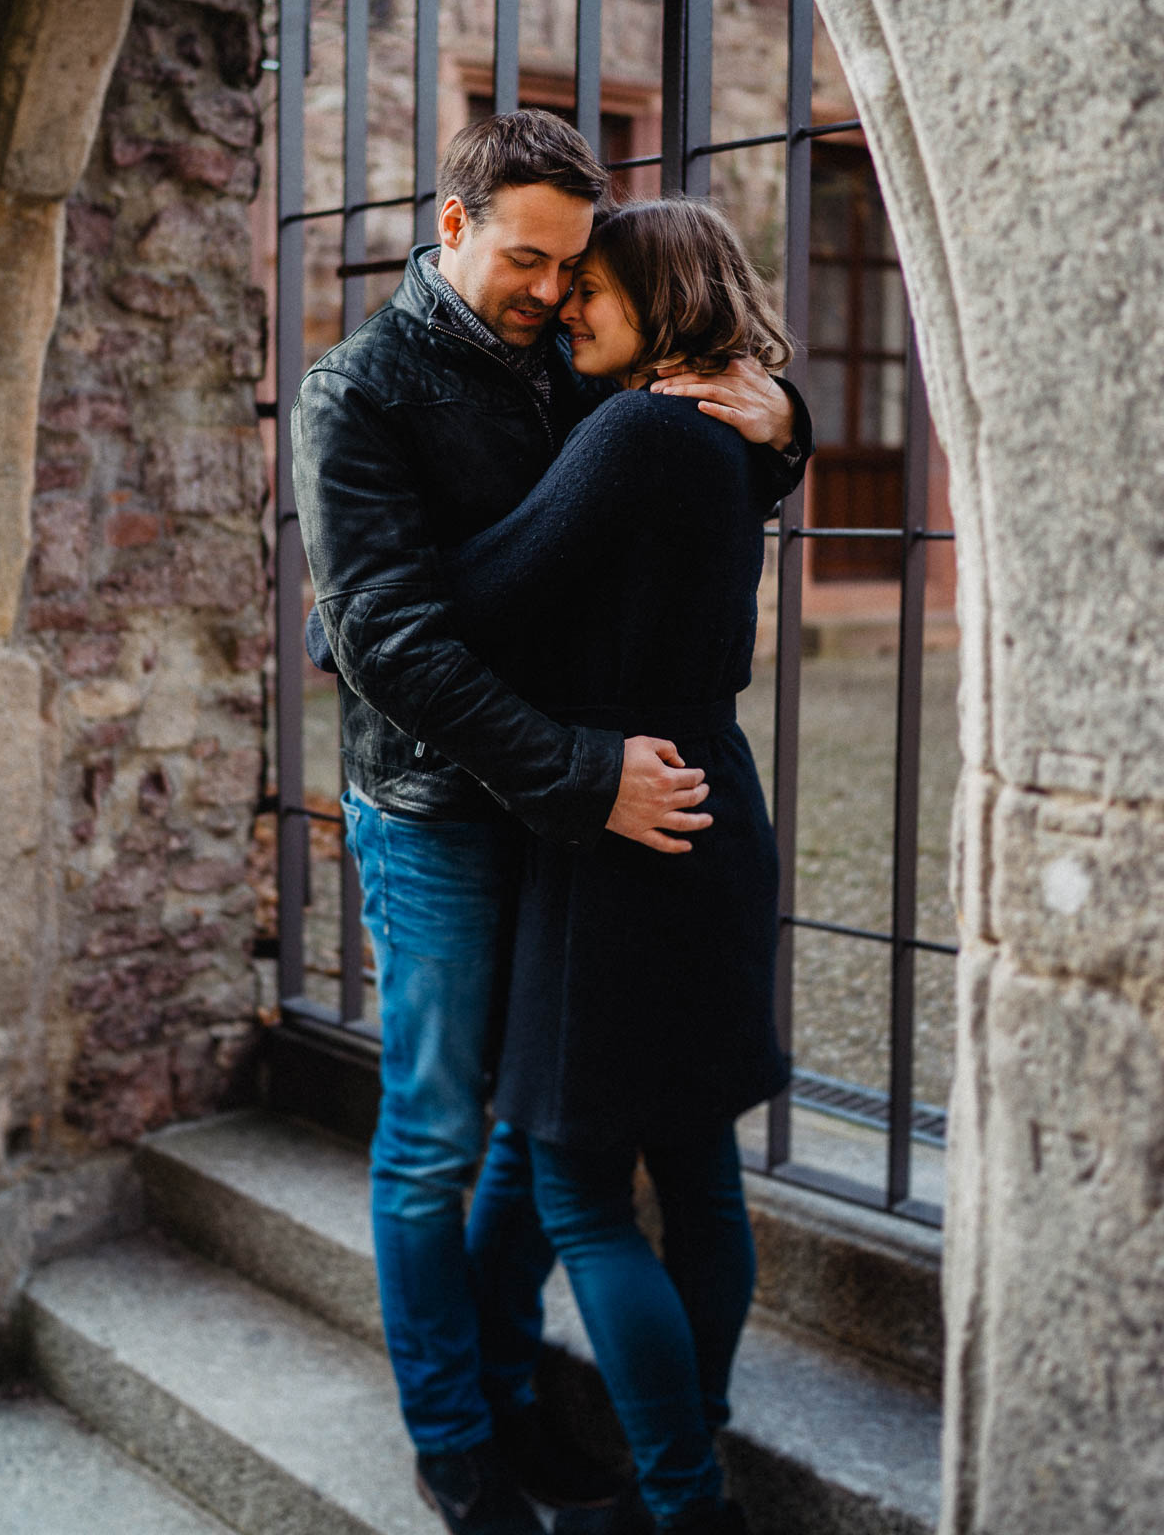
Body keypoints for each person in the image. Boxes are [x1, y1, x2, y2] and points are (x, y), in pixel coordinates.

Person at [292, 113, 809, 1535]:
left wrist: (785, 421)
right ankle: (455, 1437)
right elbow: (394, 640)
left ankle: (519, 1391)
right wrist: (584, 772)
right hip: (451, 811)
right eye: (531, 260)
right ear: (448, 226)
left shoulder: (570, 362)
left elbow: (677, 442)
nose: (552, 291)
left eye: (577, 268)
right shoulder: (359, 392)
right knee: (441, 1139)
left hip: (579, 815)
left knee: (545, 1139)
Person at [445, 197, 802, 1535]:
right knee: (698, 1173)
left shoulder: (643, 432)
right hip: (708, 815)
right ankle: (688, 1438)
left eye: (593, 287)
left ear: (663, 302)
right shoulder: (718, 437)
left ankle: (682, 1496)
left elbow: (480, 593)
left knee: (583, 1192)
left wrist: (355, 598)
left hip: (622, 838)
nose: (566, 305)